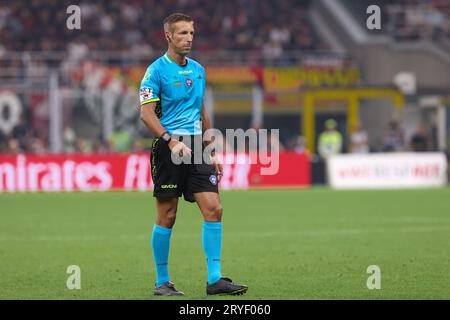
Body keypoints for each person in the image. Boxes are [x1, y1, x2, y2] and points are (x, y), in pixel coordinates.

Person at [139, 13, 248, 297]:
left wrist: (211, 150)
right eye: (183, 33)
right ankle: (162, 281)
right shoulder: (155, 71)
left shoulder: (198, 70)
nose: (189, 38)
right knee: (168, 215)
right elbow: (146, 113)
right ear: (168, 36)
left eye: (191, 33)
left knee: (214, 209)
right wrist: (170, 141)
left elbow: (202, 112)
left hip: (197, 145)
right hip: (168, 147)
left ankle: (215, 279)